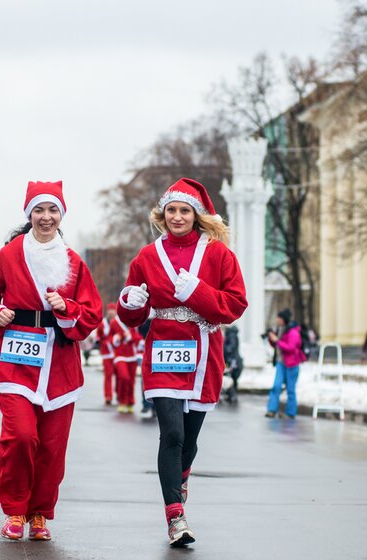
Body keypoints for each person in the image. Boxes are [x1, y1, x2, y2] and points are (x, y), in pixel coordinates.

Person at [117, 178, 247, 547]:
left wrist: (197, 292)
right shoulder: (146, 256)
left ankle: (182, 472)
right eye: (171, 210)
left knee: (188, 440)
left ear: (196, 215)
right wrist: (131, 302)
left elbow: (235, 305)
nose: (177, 217)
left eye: (184, 211)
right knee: (171, 434)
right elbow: (131, 316)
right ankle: (175, 515)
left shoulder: (219, 255)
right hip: (162, 351)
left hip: (204, 353)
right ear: (163, 214)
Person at [0, 180, 102, 541]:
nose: (46, 217)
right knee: (20, 437)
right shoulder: (9, 255)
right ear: (28, 213)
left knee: (52, 446)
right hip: (15, 359)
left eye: (53, 210)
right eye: (39, 210)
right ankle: (15, 509)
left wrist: (69, 309)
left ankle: (40, 513)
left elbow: (92, 313)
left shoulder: (74, 262)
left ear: (62, 215)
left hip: (59, 363)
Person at [265, 309, 306, 419]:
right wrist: (271, 339)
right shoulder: (280, 329)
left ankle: (290, 413)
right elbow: (277, 346)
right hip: (281, 363)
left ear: (284, 319)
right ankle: (271, 410)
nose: (277, 320)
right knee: (276, 386)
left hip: (292, 364)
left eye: (279, 318)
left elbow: (291, 347)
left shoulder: (293, 332)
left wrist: (277, 340)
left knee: (290, 389)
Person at [110, 314, 139, 414]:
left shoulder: (134, 320)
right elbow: (108, 336)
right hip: (119, 355)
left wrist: (130, 337)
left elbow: (138, 337)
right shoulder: (114, 322)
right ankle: (122, 401)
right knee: (123, 377)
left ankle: (130, 402)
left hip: (132, 355)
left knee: (131, 380)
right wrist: (115, 338)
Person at [96, 303, 118, 405]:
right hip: (106, 352)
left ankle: (119, 394)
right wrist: (98, 342)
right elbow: (98, 335)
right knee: (108, 375)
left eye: (113, 310)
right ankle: (108, 396)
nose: (111, 312)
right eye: (109, 310)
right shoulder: (103, 323)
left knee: (120, 375)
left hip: (118, 352)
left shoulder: (119, 322)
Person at [222, 326, 243, 404]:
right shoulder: (232, 334)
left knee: (230, 377)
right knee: (232, 378)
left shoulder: (231, 334)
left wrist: (225, 350)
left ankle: (232, 395)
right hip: (234, 359)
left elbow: (231, 347)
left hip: (232, 360)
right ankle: (231, 395)